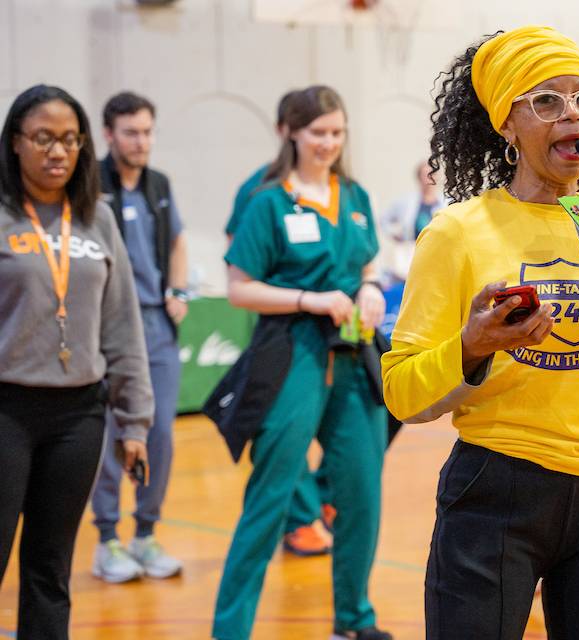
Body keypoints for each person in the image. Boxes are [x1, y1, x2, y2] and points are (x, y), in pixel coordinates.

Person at [382, 26, 579, 640]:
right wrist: (473, 345)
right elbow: (402, 392)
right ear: (506, 124)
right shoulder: (457, 233)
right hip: (497, 490)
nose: (573, 117)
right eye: (547, 102)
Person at [213, 85, 391, 640]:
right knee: (270, 499)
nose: (329, 143)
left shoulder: (354, 195)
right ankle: (230, 630)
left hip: (354, 358)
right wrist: (308, 300)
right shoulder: (268, 201)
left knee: (362, 496)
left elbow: (368, 263)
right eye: (318, 132)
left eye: (337, 132)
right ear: (290, 131)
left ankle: (354, 620)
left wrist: (370, 287)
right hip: (292, 354)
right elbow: (239, 289)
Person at [0, 84, 153, 638]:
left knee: (50, 568)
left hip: (77, 416)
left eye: (69, 139)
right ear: (15, 143)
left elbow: (122, 326)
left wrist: (134, 421)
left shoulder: (97, 219)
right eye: (43, 138)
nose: (58, 151)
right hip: (6, 410)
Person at [90, 91, 187, 583]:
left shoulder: (160, 184)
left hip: (155, 323)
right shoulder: (91, 185)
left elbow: (176, 241)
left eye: (147, 131)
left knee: (160, 433)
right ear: (109, 134)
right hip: (104, 328)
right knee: (110, 433)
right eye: (131, 132)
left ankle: (145, 533)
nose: (141, 141)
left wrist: (179, 289)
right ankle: (107, 539)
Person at [224, 88, 298, 240]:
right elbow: (235, 244)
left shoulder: (345, 189)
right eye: (296, 128)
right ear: (279, 129)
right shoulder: (256, 187)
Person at [379, 160, 447, 285]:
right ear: (418, 178)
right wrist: (394, 234)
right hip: (411, 257)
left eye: (432, 174)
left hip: (437, 257)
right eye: (424, 175)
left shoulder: (445, 203)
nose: (428, 179)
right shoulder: (406, 202)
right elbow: (383, 219)